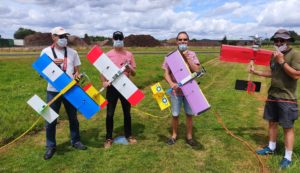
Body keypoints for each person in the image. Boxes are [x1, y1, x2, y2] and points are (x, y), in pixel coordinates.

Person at [250, 29, 300, 169]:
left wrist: (282, 62)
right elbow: (273, 73)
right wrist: (256, 72)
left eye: (282, 40)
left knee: (287, 127)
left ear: (288, 41)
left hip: (287, 98)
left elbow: (296, 75)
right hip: (273, 96)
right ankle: (271, 148)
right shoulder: (274, 55)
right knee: (272, 123)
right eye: (276, 40)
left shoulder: (295, 54)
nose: (278, 43)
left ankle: (288, 157)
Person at [41, 26, 87, 160]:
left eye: (65, 36)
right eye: (61, 36)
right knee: (50, 119)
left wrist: (76, 77)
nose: (64, 39)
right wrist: (50, 65)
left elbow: (77, 71)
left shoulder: (73, 52)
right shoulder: (46, 52)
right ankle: (50, 146)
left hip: (71, 90)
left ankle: (76, 141)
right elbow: (41, 73)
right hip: (52, 91)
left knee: (73, 118)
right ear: (53, 37)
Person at [162, 31, 201, 146]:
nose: (182, 41)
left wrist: (188, 58)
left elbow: (197, 71)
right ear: (177, 41)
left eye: (185, 40)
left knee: (189, 114)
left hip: (190, 90)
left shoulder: (192, 54)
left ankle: (189, 136)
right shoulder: (170, 56)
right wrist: (171, 83)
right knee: (175, 114)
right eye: (180, 40)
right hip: (176, 91)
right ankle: (174, 135)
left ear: (188, 41)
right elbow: (166, 73)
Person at [101, 31, 137, 149]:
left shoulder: (129, 54)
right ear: (112, 39)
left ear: (123, 39)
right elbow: (102, 71)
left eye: (120, 38)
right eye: (116, 38)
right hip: (111, 88)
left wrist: (129, 67)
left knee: (127, 113)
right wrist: (103, 82)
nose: (118, 40)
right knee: (110, 114)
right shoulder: (108, 55)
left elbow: (134, 73)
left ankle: (129, 135)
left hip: (125, 87)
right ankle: (108, 138)